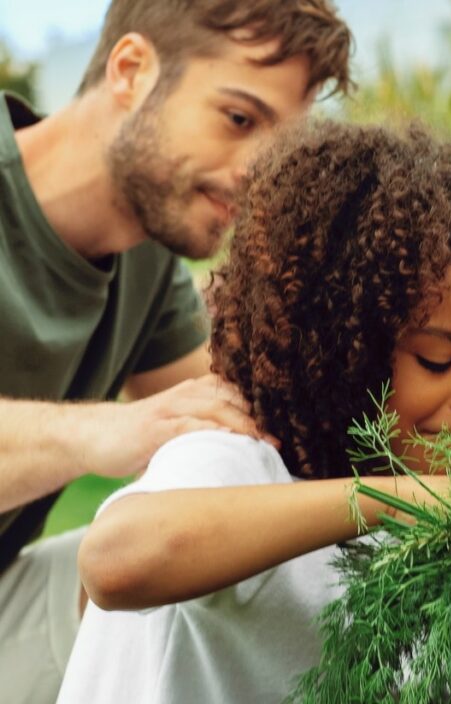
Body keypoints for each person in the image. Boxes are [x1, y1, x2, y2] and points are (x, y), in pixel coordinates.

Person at [55, 119, 451, 704]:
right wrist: (395, 501)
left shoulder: (442, 548)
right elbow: (115, 561)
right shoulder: (237, 459)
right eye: (436, 360)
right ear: (335, 348)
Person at [0, 1, 352, 701]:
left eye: (281, 144)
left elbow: (242, 425)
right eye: (239, 119)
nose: (260, 172)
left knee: (236, 574)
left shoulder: (149, 264)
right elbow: (149, 424)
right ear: (132, 70)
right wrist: (113, 432)